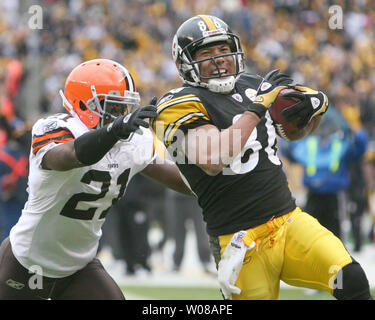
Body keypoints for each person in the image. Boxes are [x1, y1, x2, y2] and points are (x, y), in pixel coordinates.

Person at [152, 15, 372, 300]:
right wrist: (256, 108)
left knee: (350, 279)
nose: (218, 59)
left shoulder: (252, 85)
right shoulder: (175, 104)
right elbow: (213, 158)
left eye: (222, 50)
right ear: (185, 62)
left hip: (288, 221)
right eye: (206, 53)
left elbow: (291, 133)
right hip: (239, 241)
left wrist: (313, 111)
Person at [0, 58, 192, 300]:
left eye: (124, 107)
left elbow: (183, 181)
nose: (121, 115)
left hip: (78, 266)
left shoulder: (133, 140)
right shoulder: (54, 128)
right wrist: (113, 131)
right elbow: (71, 155)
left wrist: (231, 185)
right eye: (113, 107)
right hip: (26, 262)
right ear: (84, 104)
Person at [279, 106, 368, 241]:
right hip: (313, 195)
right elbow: (290, 151)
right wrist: (287, 132)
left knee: (336, 239)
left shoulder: (341, 143)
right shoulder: (311, 144)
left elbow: (360, 148)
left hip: (335, 197)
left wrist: (355, 128)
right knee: (310, 237)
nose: (324, 130)